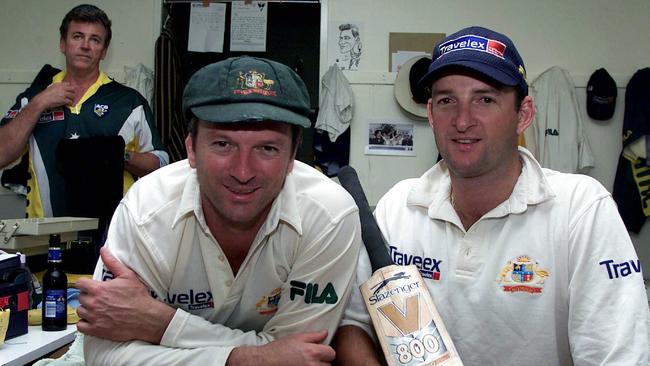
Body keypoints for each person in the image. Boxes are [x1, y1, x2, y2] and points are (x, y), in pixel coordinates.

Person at [332, 26, 649, 365]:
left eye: (485, 99)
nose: (463, 120)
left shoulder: (582, 209)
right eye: (447, 101)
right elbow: (354, 326)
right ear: (431, 114)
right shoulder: (398, 206)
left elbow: (617, 356)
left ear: (523, 114)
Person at [74, 56, 362, 365]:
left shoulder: (330, 215)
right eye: (223, 144)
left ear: (292, 157)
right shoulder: (146, 210)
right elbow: (104, 355)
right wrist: (245, 360)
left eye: (267, 148)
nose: (242, 171)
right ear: (191, 150)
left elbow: (302, 355)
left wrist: (162, 324)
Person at [0, 4, 168, 224]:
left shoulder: (128, 102)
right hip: (44, 240)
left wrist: (117, 155)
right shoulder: (34, 97)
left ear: (104, 51)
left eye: (95, 40)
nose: (85, 46)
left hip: (112, 241)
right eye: (78, 36)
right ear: (63, 43)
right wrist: (39, 103)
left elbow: (162, 165)